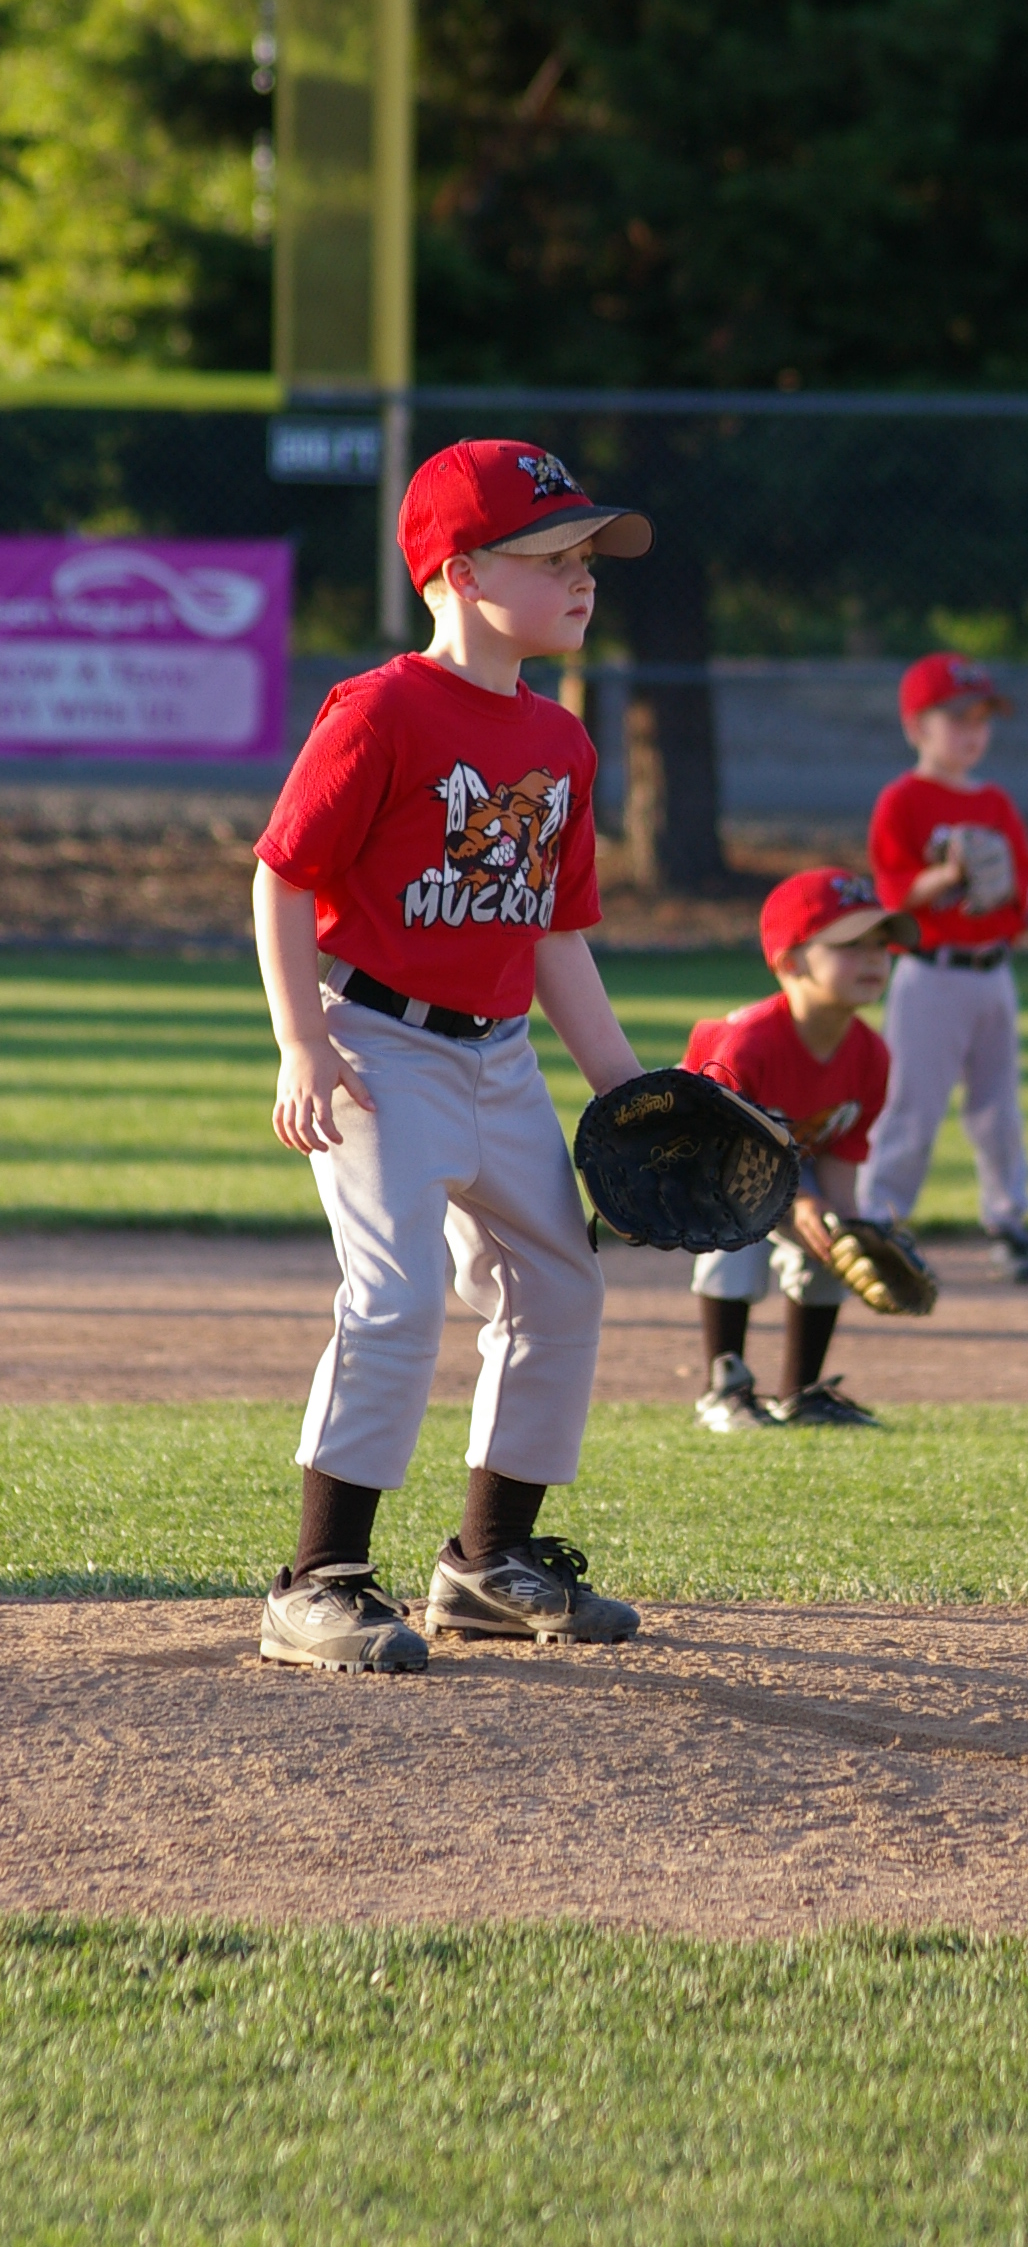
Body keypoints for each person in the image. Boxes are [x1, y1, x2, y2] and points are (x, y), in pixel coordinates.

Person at [250, 436, 655, 1670]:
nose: (582, 576)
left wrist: (626, 1088)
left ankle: (489, 1563)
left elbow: (554, 935)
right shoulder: (380, 709)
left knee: (558, 1285)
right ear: (462, 572)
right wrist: (302, 1041)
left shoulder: (562, 740)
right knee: (398, 1295)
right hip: (378, 1047)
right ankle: (317, 1579)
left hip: (502, 1058)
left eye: (588, 555)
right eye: (552, 555)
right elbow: (282, 876)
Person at [682, 868, 915, 1430]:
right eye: (849, 945)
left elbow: (839, 1157)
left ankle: (802, 1393)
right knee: (737, 1230)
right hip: (699, 1164)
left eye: (880, 944)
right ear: (790, 962)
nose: (873, 959)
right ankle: (725, 1388)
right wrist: (801, 1203)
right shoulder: (747, 1044)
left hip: (786, 1169)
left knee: (836, 1236)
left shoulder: (871, 1056)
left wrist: (846, 1225)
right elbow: (725, 1157)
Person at [859, 651, 1028, 1282]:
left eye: (982, 718)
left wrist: (1010, 889)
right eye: (958, 718)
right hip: (929, 975)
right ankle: (878, 1220)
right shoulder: (902, 800)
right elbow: (892, 894)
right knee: (912, 1106)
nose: (973, 731)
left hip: (993, 973)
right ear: (917, 726)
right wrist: (948, 875)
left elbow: (1026, 885)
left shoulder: (996, 802)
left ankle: (1008, 1221)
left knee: (999, 1111)